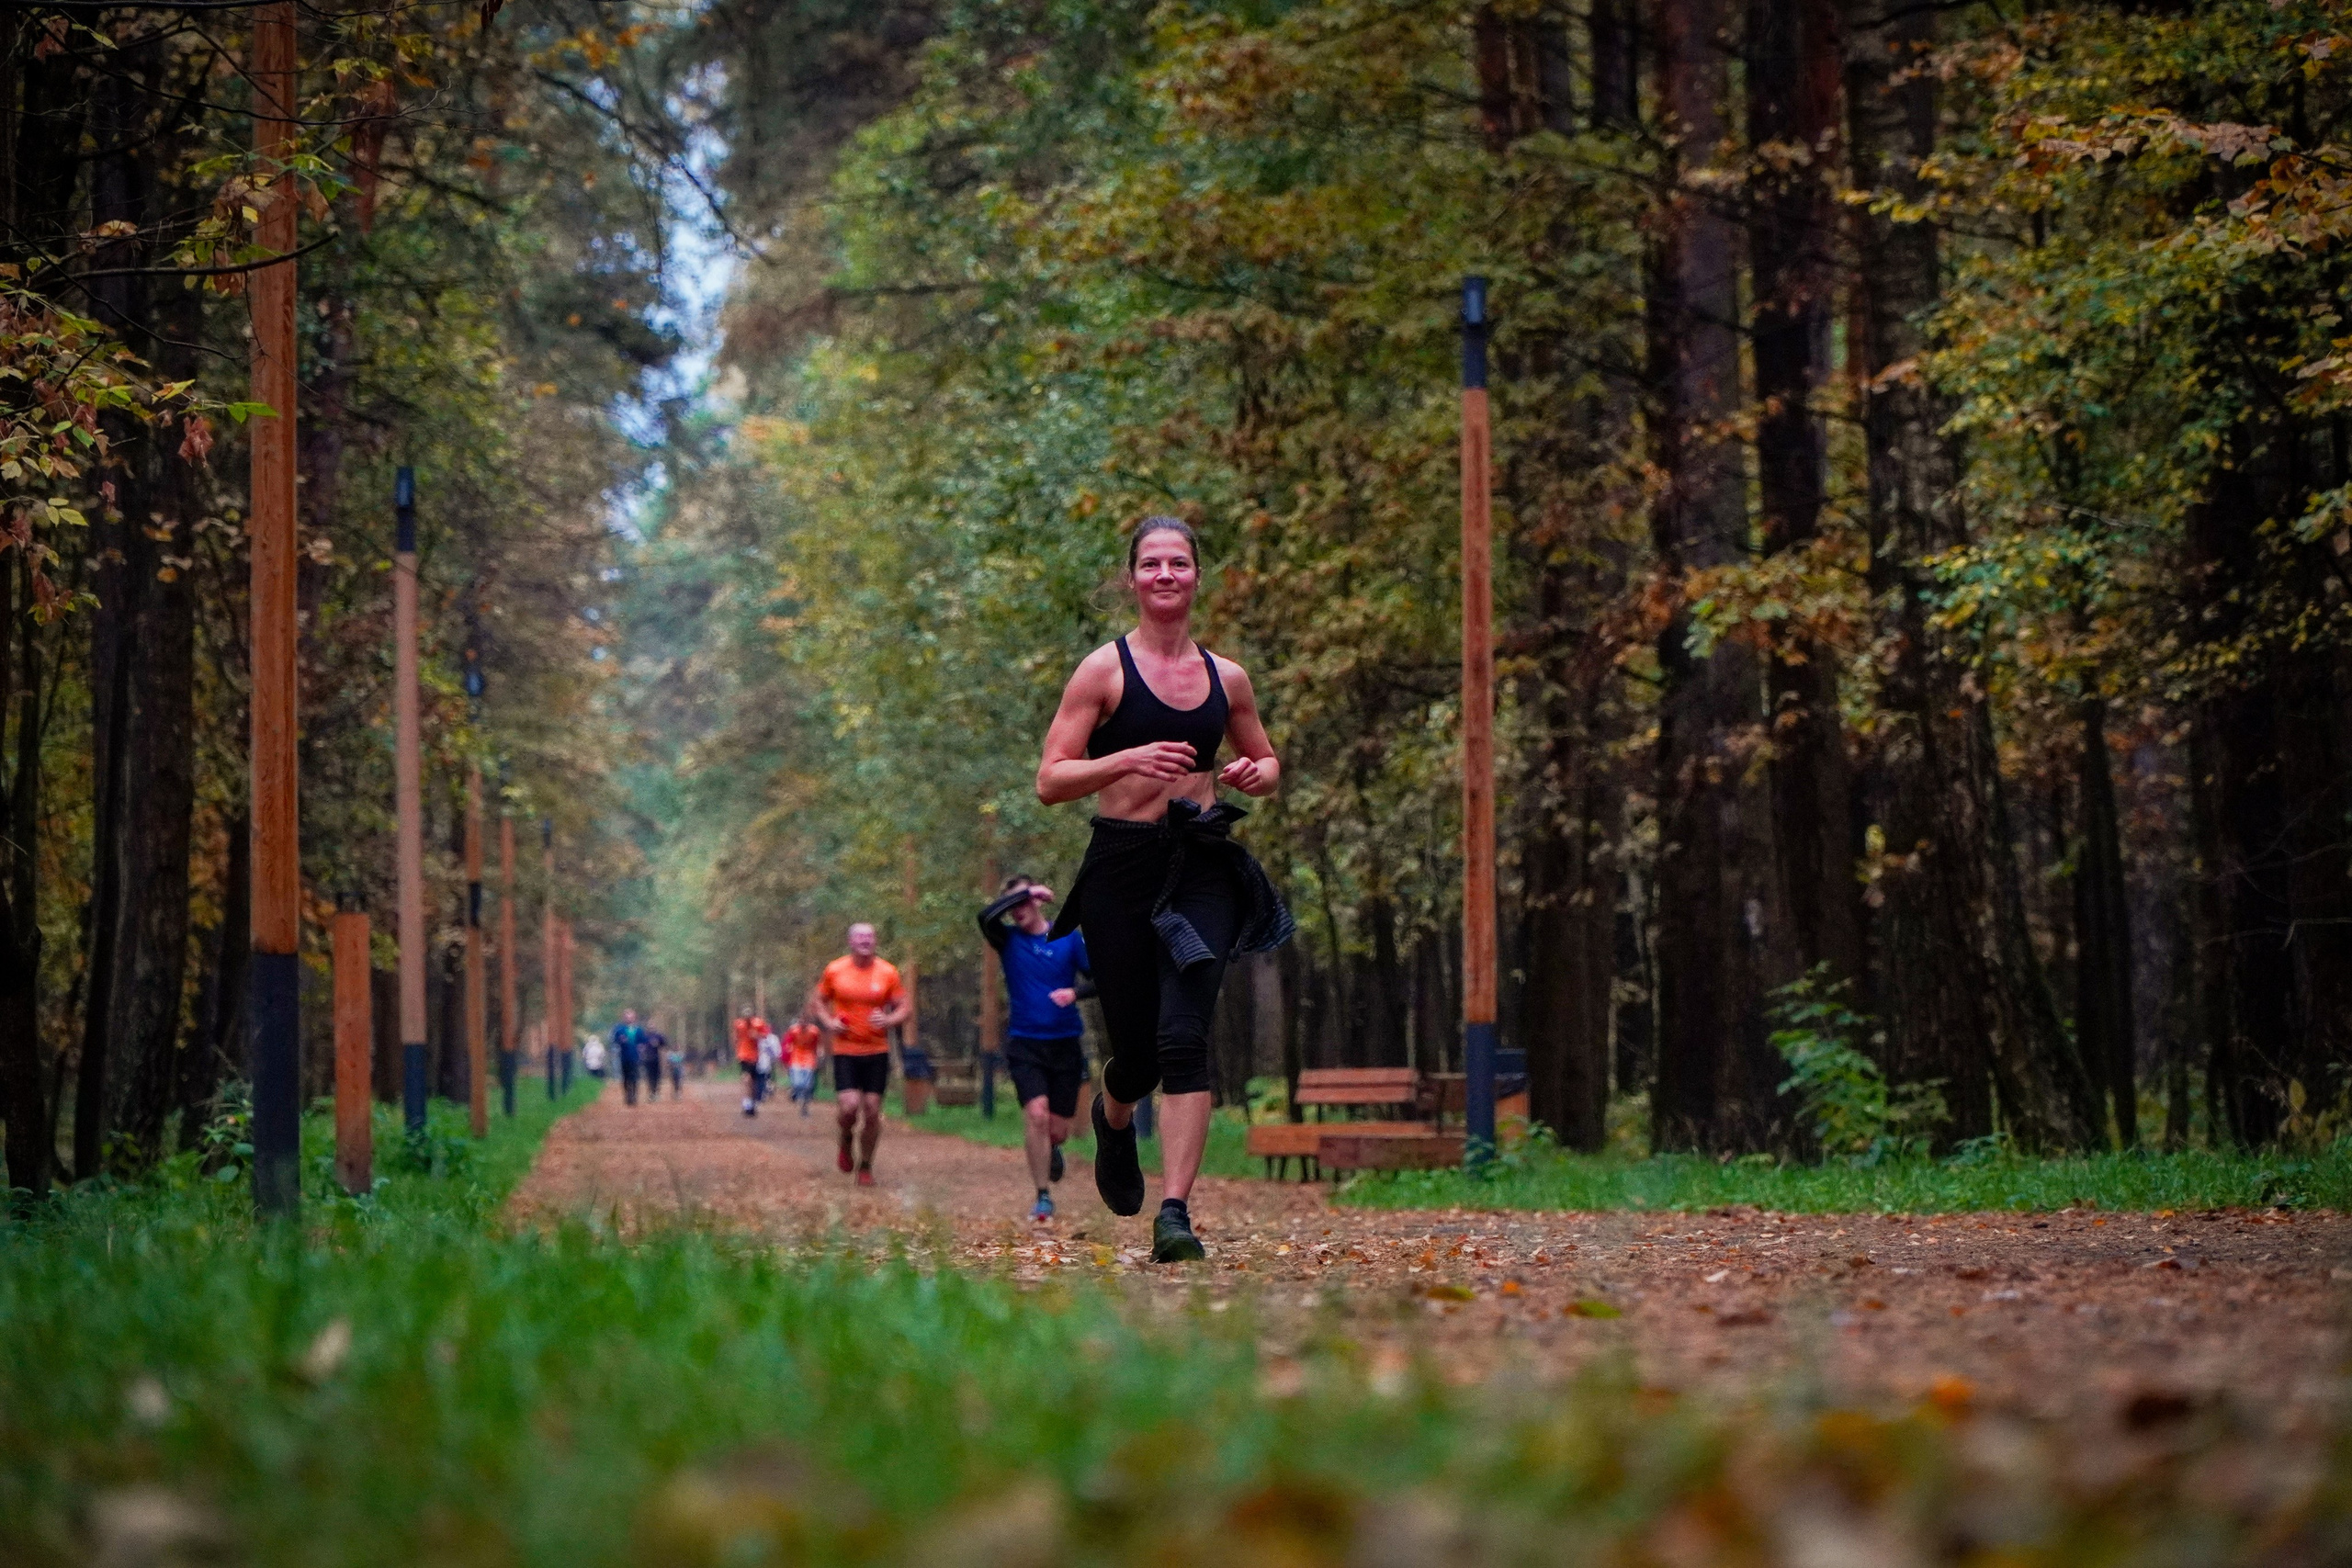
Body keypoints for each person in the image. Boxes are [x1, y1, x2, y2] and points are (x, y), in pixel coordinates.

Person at [1035, 516, 1292, 1262]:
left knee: (1185, 1036)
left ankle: (1175, 1210)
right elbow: (1051, 779)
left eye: (1179, 562)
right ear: (1133, 579)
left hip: (1200, 865)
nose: (1166, 574)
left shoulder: (1227, 677)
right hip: (1120, 867)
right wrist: (1126, 760)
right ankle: (1114, 1117)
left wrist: (1253, 774)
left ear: (1197, 576)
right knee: (1140, 1055)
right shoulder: (1102, 672)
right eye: (1151, 564)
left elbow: (1267, 762)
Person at [978, 874, 1093, 1222]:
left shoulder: (1069, 938)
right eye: (1012, 905)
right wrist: (1026, 892)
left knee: (1058, 1128)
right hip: (1025, 1043)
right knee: (1037, 1114)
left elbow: (1101, 978)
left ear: (1039, 904)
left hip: (1065, 1043)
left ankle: (1053, 1148)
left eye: (1024, 903)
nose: (1018, 911)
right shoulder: (1007, 940)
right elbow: (984, 917)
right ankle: (1043, 1196)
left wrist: (1075, 993)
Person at [813, 923, 910, 1186]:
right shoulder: (835, 970)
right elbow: (819, 1000)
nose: (865, 941)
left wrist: (889, 1020)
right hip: (845, 1049)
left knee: (871, 1110)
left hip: (877, 1050)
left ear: (875, 942)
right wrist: (829, 1022)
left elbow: (905, 1006)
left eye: (870, 937)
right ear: (851, 942)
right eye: (860, 937)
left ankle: (865, 1165)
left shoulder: (887, 972)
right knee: (849, 1107)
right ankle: (845, 1140)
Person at [733, 1004, 769, 1117]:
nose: (747, 1018)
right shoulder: (738, 1024)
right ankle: (747, 1103)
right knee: (746, 1079)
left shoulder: (758, 1023)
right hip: (743, 1055)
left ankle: (752, 1103)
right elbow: (735, 1037)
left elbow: (765, 1035)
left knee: (753, 1081)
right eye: (745, 1015)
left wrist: (756, 1035)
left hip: (754, 1055)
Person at [782, 1013, 822, 1115]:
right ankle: (796, 1093)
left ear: (808, 1022)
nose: (802, 1024)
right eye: (801, 1021)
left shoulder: (814, 1031)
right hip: (796, 1058)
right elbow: (788, 1042)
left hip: (809, 1058)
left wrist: (820, 1053)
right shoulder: (794, 1030)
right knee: (797, 1083)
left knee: (807, 1085)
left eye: (805, 1022)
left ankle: (804, 1106)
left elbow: (819, 1044)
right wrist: (788, 1049)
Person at [611, 1010, 651, 1107]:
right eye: (627, 1016)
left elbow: (644, 1041)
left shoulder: (638, 1030)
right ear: (624, 1018)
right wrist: (621, 1041)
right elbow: (615, 1041)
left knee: (634, 1077)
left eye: (631, 1016)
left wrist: (642, 1048)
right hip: (624, 1057)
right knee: (625, 1077)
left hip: (635, 1057)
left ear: (634, 1018)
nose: (629, 1018)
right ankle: (627, 1095)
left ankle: (634, 1095)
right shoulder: (619, 1030)